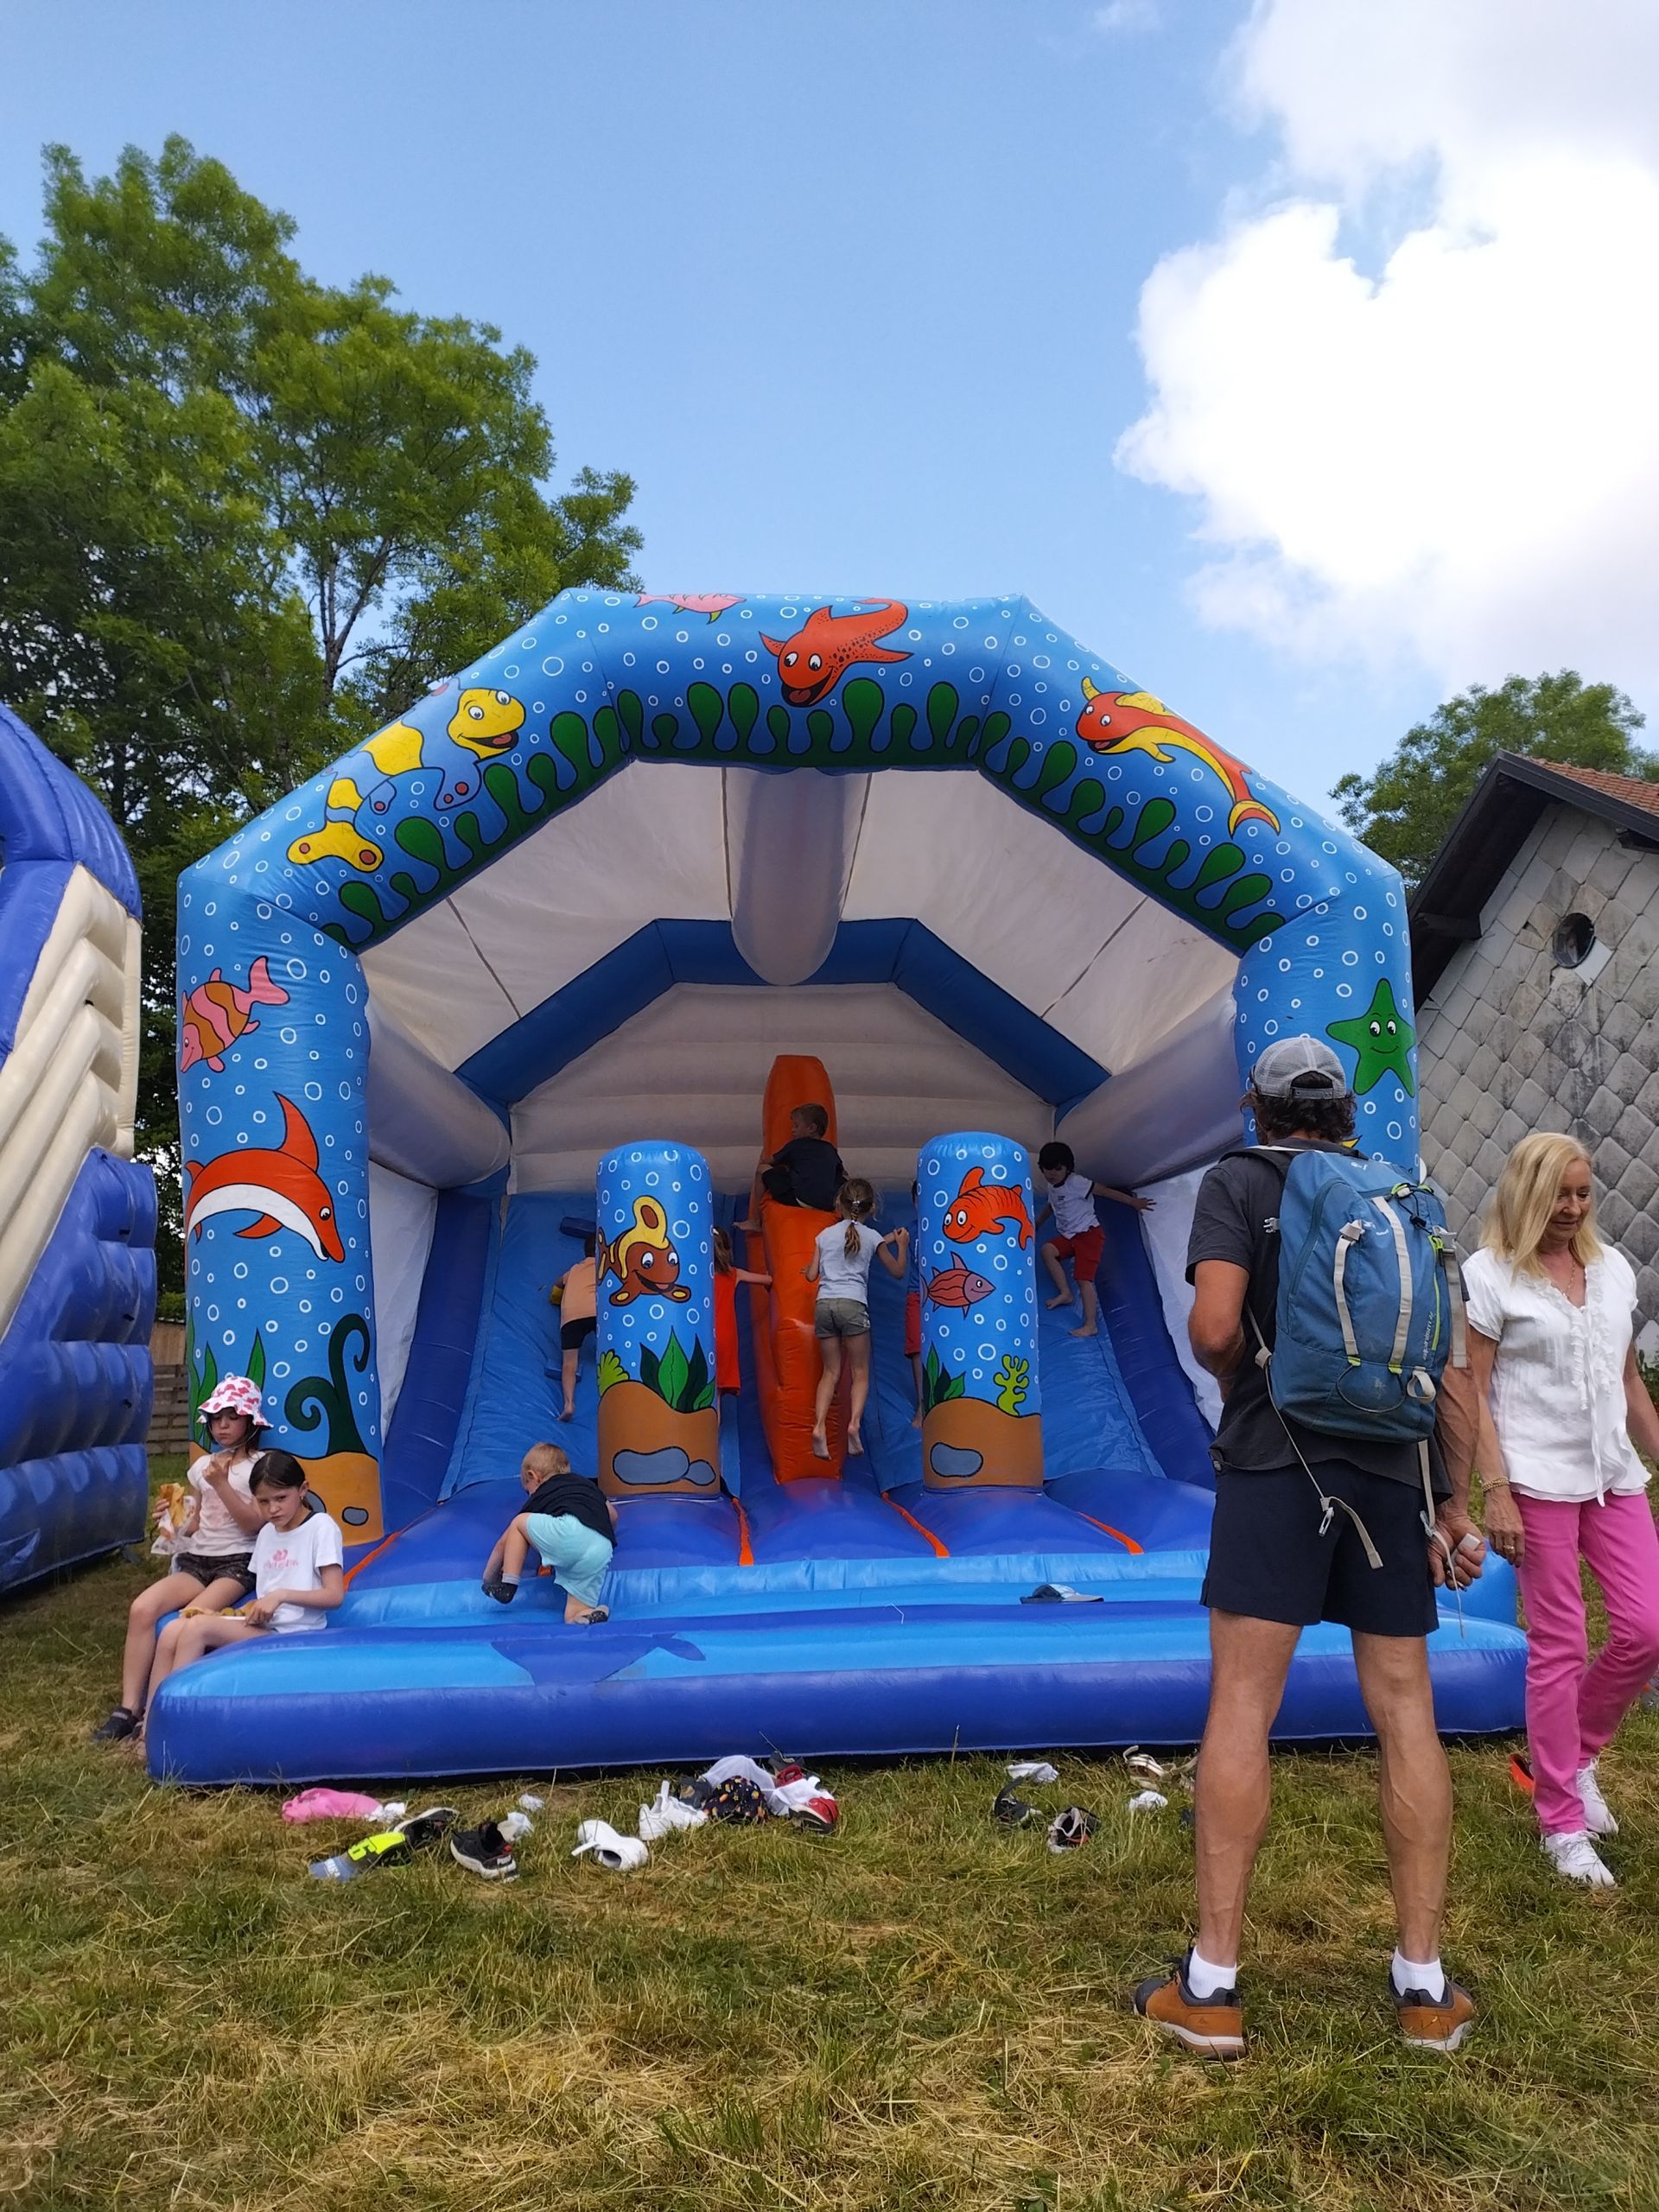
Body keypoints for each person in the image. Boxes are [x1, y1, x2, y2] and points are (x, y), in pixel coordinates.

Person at [1135, 1036, 1484, 2058]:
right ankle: (1424, 1986)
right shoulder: (1399, 1194)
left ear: (1258, 1105)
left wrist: (1247, 1375)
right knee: (1405, 1708)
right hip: (1393, 1468)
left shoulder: (1240, 1182)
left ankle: (1212, 1986)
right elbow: (1448, 1366)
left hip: (1275, 1460)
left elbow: (1213, 1329)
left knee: (1244, 1702)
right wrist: (1456, 1502)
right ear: (1346, 1111)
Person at [1464, 1133, 1659, 1889]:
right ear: (1526, 1195)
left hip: (1612, 1474)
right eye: (1559, 1196)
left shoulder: (1612, 1270)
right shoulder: (1490, 1276)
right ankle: (1561, 1825)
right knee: (1561, 1644)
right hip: (1535, 1480)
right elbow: (1474, 1392)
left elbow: (1629, 1381)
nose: (1573, 1209)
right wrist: (1496, 1489)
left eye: (1582, 1194)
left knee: (1645, 1629)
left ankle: (1575, 1757)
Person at [92, 1375, 267, 1744]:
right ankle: (128, 1707)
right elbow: (196, 1522)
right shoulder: (203, 1467)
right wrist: (171, 1519)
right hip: (197, 1559)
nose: (222, 1426)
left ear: (250, 1421)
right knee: (142, 1608)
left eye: (232, 1417)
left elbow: (254, 1523)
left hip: (237, 1563)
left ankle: (156, 1714)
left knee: (187, 1619)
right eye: (216, 1419)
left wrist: (222, 1485)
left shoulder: (260, 1467)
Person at [140, 1450, 346, 1714]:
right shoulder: (268, 1533)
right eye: (263, 1502)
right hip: (265, 1626)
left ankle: (173, 1715)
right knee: (172, 1630)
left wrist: (281, 1596)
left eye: (281, 1498)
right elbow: (265, 1592)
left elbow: (334, 1595)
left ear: (303, 1490)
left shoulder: (321, 1527)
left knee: (196, 1629)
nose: (273, 1509)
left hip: (296, 1632)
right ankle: (148, 1720)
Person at [805, 1179, 908, 1459]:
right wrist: (901, 1245)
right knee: (860, 1371)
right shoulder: (872, 1237)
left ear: (839, 1204)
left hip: (825, 1305)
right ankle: (853, 1424)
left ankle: (818, 1427)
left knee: (830, 1372)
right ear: (871, 1208)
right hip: (853, 1305)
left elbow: (812, 1275)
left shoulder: (824, 1235)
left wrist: (810, 1269)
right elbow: (897, 1271)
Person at [481, 1440, 618, 1622]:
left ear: (533, 1476)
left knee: (518, 1522)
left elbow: (503, 1543)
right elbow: (613, 1516)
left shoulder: (542, 1494)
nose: (530, 1495)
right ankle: (591, 1613)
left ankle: (508, 1586)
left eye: (527, 1491)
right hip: (602, 1547)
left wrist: (488, 1579)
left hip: (569, 1534)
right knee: (573, 1615)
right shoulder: (587, 1485)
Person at [1034, 1141, 1154, 1338]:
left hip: (1089, 1235)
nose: (1052, 1173)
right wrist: (1038, 1222)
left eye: (1057, 1169)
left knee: (1083, 1279)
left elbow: (1104, 1191)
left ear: (1067, 1169)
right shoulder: (1052, 1185)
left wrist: (1133, 1202)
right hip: (1070, 1236)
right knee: (1047, 1250)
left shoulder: (1077, 1183)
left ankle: (1091, 1325)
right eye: (1048, 1169)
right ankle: (1066, 1293)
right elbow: (1051, 1205)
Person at [746, 1102, 845, 1221]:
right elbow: (843, 1173)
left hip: (798, 1199)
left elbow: (770, 1161)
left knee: (762, 1169)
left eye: (796, 1126)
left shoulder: (796, 1145)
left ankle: (755, 1220)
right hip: (827, 1204)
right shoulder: (830, 1148)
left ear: (811, 1128)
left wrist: (764, 1157)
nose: (792, 1130)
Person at [712, 1225, 771, 1398]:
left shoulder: (700, 1275)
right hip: (726, 1336)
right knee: (718, 1391)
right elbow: (768, 1280)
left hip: (706, 1334)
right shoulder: (733, 1274)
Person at [550, 1236, 599, 1421]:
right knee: (608, 1342)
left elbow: (557, 1284)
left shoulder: (574, 1269)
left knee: (569, 1364)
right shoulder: (604, 1267)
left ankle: (569, 1403)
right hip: (595, 1311)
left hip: (571, 1316)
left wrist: (557, 1295)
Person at [906, 1179, 925, 1427]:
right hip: (916, 1293)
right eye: (919, 1199)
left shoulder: (947, 1226)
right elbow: (887, 1239)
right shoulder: (911, 1229)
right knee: (916, 1348)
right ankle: (922, 1402)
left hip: (941, 1296)